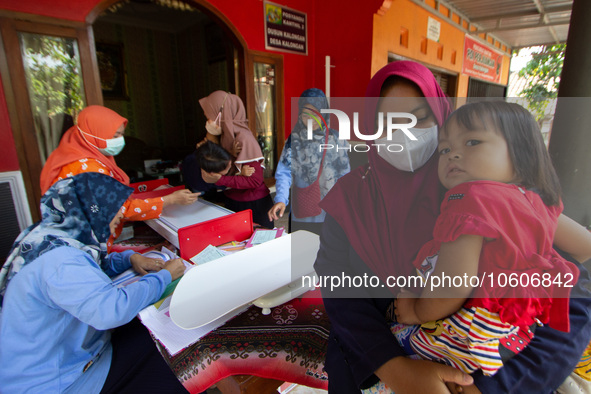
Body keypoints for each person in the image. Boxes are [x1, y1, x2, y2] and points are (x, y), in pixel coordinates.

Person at [313, 60, 591, 393]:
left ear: (442, 116)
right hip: (369, 367)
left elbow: (573, 296)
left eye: (420, 117)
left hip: (483, 373)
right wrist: (396, 370)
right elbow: (339, 287)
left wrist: (495, 389)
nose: (403, 133)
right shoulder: (351, 197)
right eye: (387, 122)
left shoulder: (484, 188)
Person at [373, 101, 591, 391]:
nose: (454, 154)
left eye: (472, 141)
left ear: (520, 154)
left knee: (388, 350)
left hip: (470, 331)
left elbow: (453, 285)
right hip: (521, 329)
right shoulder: (536, 203)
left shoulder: (469, 198)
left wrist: (416, 310)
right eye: (445, 150)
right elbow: (583, 248)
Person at [0, 172, 188, 393]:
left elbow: (91, 264)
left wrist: (129, 257)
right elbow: (112, 311)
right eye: (114, 214)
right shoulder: (60, 262)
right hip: (60, 381)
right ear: (94, 210)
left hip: (55, 359)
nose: (117, 221)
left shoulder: (47, 237)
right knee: (169, 346)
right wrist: (164, 276)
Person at [39, 105, 200, 248]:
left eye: (121, 135)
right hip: (87, 242)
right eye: (115, 136)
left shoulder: (73, 154)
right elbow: (121, 209)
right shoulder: (90, 169)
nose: (120, 141)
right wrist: (171, 199)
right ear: (93, 134)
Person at [267, 88, 350, 235]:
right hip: (301, 212)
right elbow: (284, 173)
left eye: (315, 113)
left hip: (330, 213)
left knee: (328, 253)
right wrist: (280, 199)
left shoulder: (336, 139)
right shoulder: (293, 140)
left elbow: (345, 174)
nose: (311, 119)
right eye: (306, 114)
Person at [198, 91, 274, 229]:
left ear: (221, 113)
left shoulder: (244, 139)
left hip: (253, 204)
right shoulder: (223, 137)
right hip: (233, 200)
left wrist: (219, 180)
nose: (206, 117)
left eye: (209, 113)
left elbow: (254, 180)